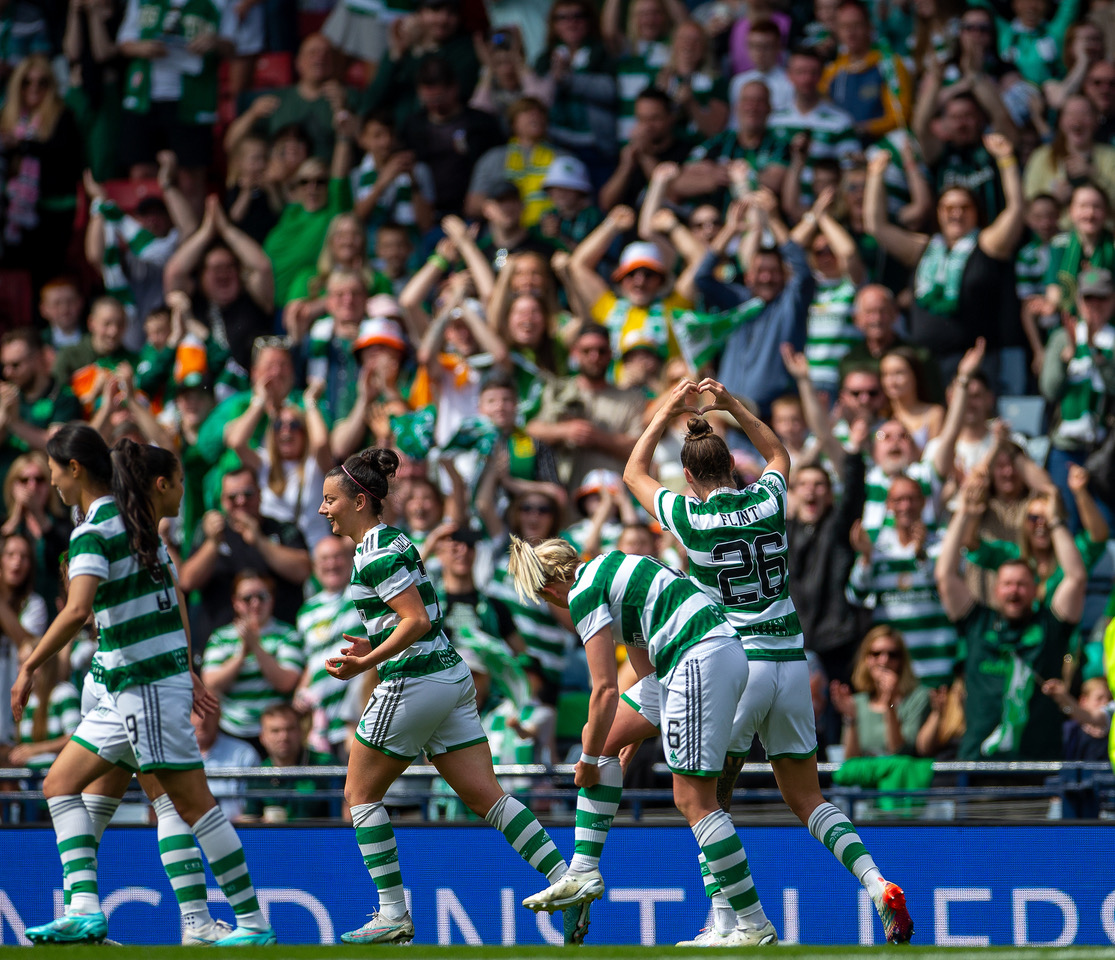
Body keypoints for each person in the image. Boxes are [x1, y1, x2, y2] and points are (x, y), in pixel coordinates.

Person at [621, 377, 913, 945]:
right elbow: (780, 451)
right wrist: (732, 404)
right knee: (808, 798)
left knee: (706, 801)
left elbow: (633, 471)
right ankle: (877, 884)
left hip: (735, 666)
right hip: (790, 664)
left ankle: (727, 922)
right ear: (734, 464)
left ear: (689, 477)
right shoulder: (769, 497)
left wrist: (665, 409)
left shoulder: (690, 518)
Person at [10, 428, 275, 945]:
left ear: (75, 470)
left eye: (53, 471)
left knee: (191, 803)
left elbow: (78, 609)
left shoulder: (96, 529)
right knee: (59, 784)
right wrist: (188, 664)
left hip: (142, 686)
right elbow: (172, 596)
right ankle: (87, 911)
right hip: (135, 683)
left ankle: (250, 921)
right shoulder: (140, 526)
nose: (52, 482)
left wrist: (29, 667)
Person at [316, 448, 586, 945]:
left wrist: (365, 663)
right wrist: (374, 642)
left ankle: (393, 914)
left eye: (330, 499)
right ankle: (567, 881)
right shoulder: (392, 540)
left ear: (359, 500)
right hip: (451, 679)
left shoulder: (375, 551)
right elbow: (414, 619)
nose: (322, 509)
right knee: (490, 797)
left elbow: (415, 621)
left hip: (414, 682)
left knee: (358, 796)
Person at [507, 533, 779, 947]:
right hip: (700, 655)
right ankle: (583, 871)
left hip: (697, 656)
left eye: (546, 601)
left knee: (693, 801)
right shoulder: (609, 567)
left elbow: (604, 691)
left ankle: (753, 924)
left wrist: (588, 758)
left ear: (549, 588)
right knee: (605, 734)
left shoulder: (583, 593)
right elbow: (643, 668)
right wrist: (620, 738)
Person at [935, 484, 1089, 761]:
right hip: (978, 768)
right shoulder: (977, 622)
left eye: (1021, 584)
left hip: (1036, 768)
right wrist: (964, 513)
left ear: (1034, 590)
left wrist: (1054, 522)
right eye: (1007, 584)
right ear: (996, 589)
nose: (1014, 591)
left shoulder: (1050, 626)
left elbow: (1076, 578)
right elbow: (945, 576)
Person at [865, 134, 1025, 389]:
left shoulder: (988, 244)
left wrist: (1006, 160)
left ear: (977, 213)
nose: (956, 214)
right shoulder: (925, 248)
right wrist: (875, 176)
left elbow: (1016, 209)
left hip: (975, 362)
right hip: (926, 362)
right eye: (948, 208)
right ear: (938, 214)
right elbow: (876, 226)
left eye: (964, 207)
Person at [201, 571, 304, 749]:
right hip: (231, 730)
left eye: (262, 596)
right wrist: (241, 655)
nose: (255, 603)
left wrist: (255, 647)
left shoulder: (287, 634)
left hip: (276, 733)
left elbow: (286, 682)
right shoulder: (220, 637)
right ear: (236, 603)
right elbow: (211, 683)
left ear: (271, 599)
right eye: (247, 598)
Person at [294, 535, 364, 758]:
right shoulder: (306, 611)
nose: (331, 564)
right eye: (324, 559)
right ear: (315, 567)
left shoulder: (362, 594)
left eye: (337, 557)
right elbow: (312, 661)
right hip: (320, 725)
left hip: (356, 721)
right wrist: (300, 692)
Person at [829, 627, 935, 758]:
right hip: (866, 777)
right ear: (866, 659)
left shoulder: (917, 697)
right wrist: (850, 718)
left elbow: (899, 751)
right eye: (876, 654)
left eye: (892, 654)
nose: (884, 660)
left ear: (902, 661)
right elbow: (850, 760)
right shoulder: (857, 702)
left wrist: (889, 704)